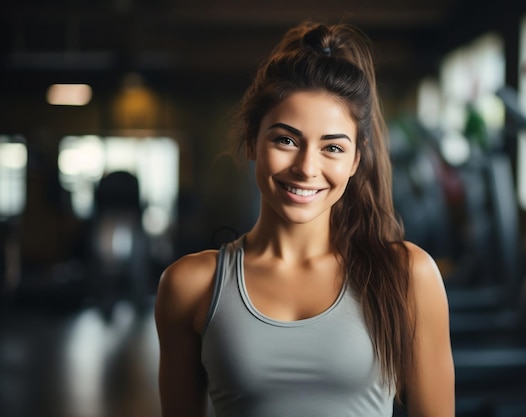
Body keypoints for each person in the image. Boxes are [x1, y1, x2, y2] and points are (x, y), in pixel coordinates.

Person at [155, 21, 455, 417]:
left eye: (332, 147)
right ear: (252, 140)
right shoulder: (190, 285)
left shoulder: (408, 276)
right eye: (286, 140)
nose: (307, 168)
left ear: (355, 161)